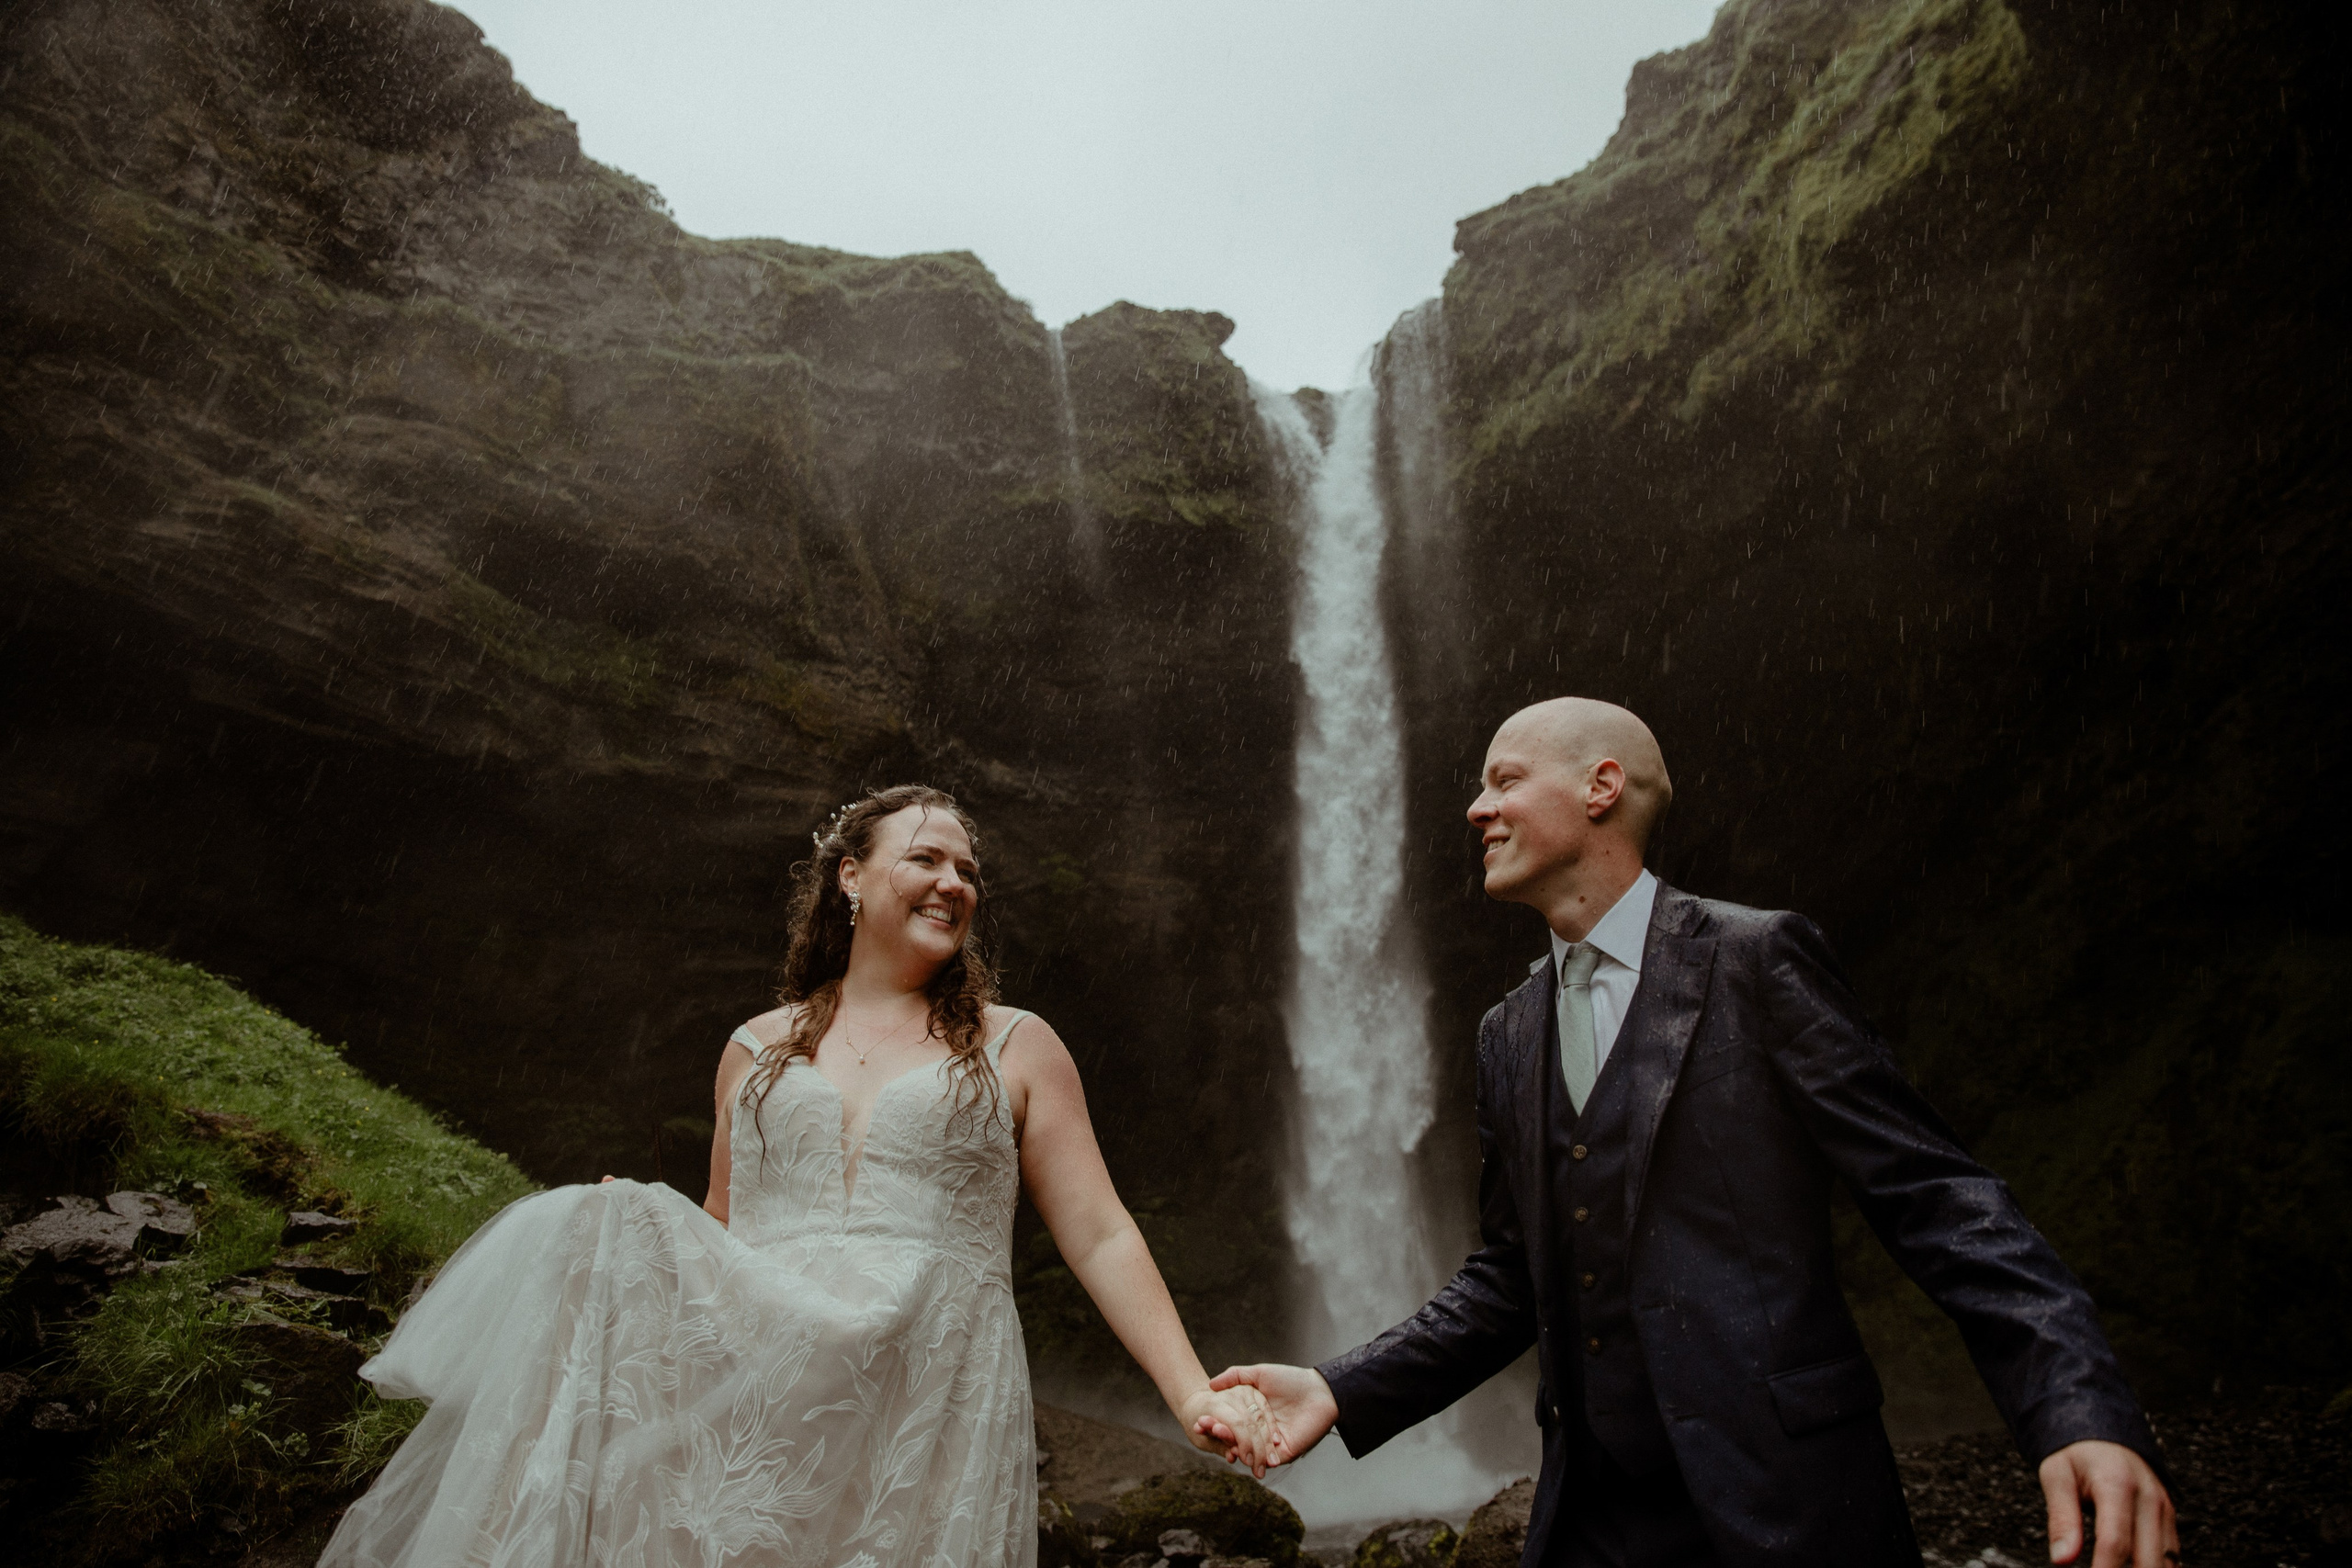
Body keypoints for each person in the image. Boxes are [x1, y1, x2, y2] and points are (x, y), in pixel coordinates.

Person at [1205, 700, 2179, 1568]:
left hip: (1787, 1501)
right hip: (1591, 1518)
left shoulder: (1757, 961)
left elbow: (1935, 1198)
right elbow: (1509, 1278)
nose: (1475, 808)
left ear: (1601, 788)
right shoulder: (1506, 1033)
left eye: (1504, 780)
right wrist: (1338, 1388)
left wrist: (2077, 1409)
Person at [322, 784, 1271, 1568]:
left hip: (928, 1387)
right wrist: (642, 1235)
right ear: (850, 876)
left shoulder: (1017, 1045)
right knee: (597, 1222)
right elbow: (723, 1230)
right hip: (770, 1393)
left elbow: (1099, 1231)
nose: (954, 883)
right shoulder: (755, 1048)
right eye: (927, 858)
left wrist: (1190, 1391)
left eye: (969, 871)